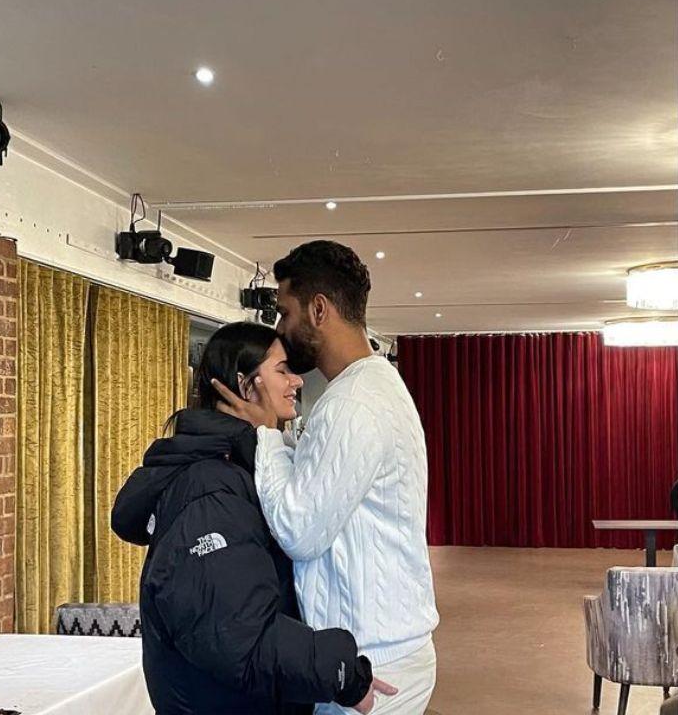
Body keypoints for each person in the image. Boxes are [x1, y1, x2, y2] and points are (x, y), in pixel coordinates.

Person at [111, 321, 396, 715]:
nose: (296, 381)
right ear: (246, 385)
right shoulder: (210, 485)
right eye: (282, 370)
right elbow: (235, 632)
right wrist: (339, 672)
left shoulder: (244, 468)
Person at [213, 241, 440, 715]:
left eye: (285, 311)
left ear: (318, 309)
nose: (280, 326)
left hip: (373, 658)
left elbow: (299, 530)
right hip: (381, 646)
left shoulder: (352, 403)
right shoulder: (372, 386)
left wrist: (266, 434)